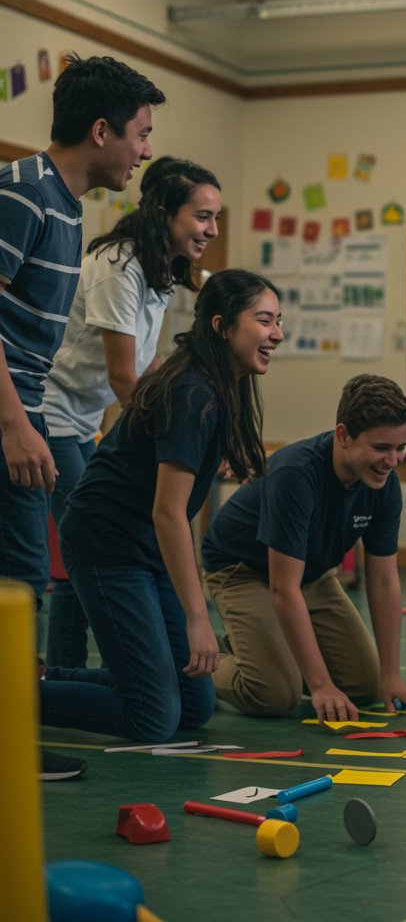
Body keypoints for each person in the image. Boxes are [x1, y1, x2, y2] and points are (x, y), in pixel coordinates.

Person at [0, 54, 164, 779]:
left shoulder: (67, 207)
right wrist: (15, 423)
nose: (145, 151)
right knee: (20, 577)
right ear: (101, 131)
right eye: (139, 133)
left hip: (24, 412)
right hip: (13, 418)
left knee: (26, 575)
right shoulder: (25, 192)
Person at [39, 270, 283, 743]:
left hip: (145, 549)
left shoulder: (218, 385)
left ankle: (49, 681)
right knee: (150, 717)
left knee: (193, 706)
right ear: (221, 325)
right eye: (265, 320)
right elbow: (168, 513)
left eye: (278, 322)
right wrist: (199, 617)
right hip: (108, 547)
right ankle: (17, 696)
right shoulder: (192, 390)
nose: (277, 333)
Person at [43, 156, 222, 669]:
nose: (211, 229)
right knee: (86, 536)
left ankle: (66, 671)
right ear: (165, 212)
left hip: (83, 420)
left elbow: (150, 361)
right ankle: (63, 675)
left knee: (82, 543)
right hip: (51, 414)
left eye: (215, 219)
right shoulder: (118, 265)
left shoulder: (158, 267)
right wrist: (167, 437)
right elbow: (124, 375)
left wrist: (182, 409)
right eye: (202, 217)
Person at [200, 374, 406, 722]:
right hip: (244, 572)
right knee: (275, 693)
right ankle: (196, 661)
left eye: (400, 447)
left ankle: (254, 645)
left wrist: (391, 677)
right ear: (344, 436)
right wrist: (321, 685)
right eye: (380, 448)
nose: (392, 460)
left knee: (366, 688)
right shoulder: (295, 475)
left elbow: (385, 581)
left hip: (312, 575)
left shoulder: (384, 484)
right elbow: (283, 589)